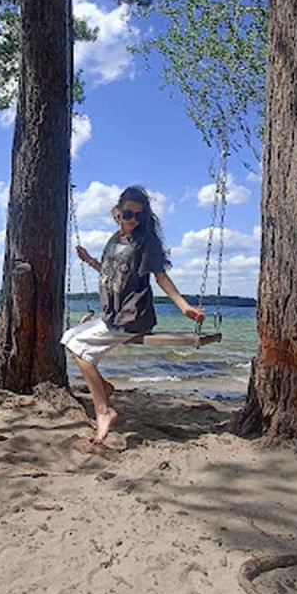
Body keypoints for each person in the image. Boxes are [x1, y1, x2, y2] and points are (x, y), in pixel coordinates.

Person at [61, 185, 204, 444]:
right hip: (112, 315)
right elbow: (111, 273)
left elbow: (160, 277)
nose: (133, 220)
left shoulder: (146, 241)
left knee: (76, 344)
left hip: (132, 315)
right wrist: (90, 261)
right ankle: (103, 387)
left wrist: (183, 306)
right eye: (128, 214)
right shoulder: (114, 240)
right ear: (117, 213)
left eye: (139, 216)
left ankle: (103, 410)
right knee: (70, 337)